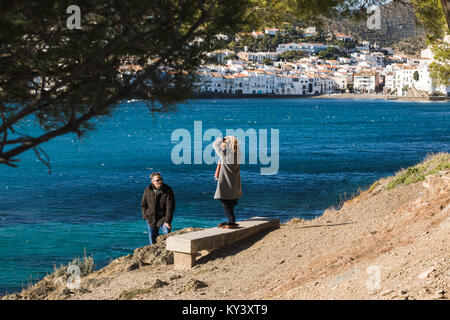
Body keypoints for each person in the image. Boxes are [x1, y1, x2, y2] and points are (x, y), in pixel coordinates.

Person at [213, 136, 242, 228]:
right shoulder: (238, 155)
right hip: (235, 184)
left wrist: (223, 138)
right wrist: (232, 140)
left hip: (226, 183)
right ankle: (231, 221)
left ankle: (231, 222)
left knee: (225, 203)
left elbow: (215, 144)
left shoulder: (225, 156)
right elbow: (237, 148)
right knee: (230, 204)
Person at [141, 172, 175, 244]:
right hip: (151, 219)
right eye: (157, 180)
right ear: (152, 181)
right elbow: (144, 204)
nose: (160, 181)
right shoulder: (147, 190)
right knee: (152, 243)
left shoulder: (168, 190)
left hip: (163, 219)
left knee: (168, 237)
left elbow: (170, 207)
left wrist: (167, 221)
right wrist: (145, 216)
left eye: (161, 179)